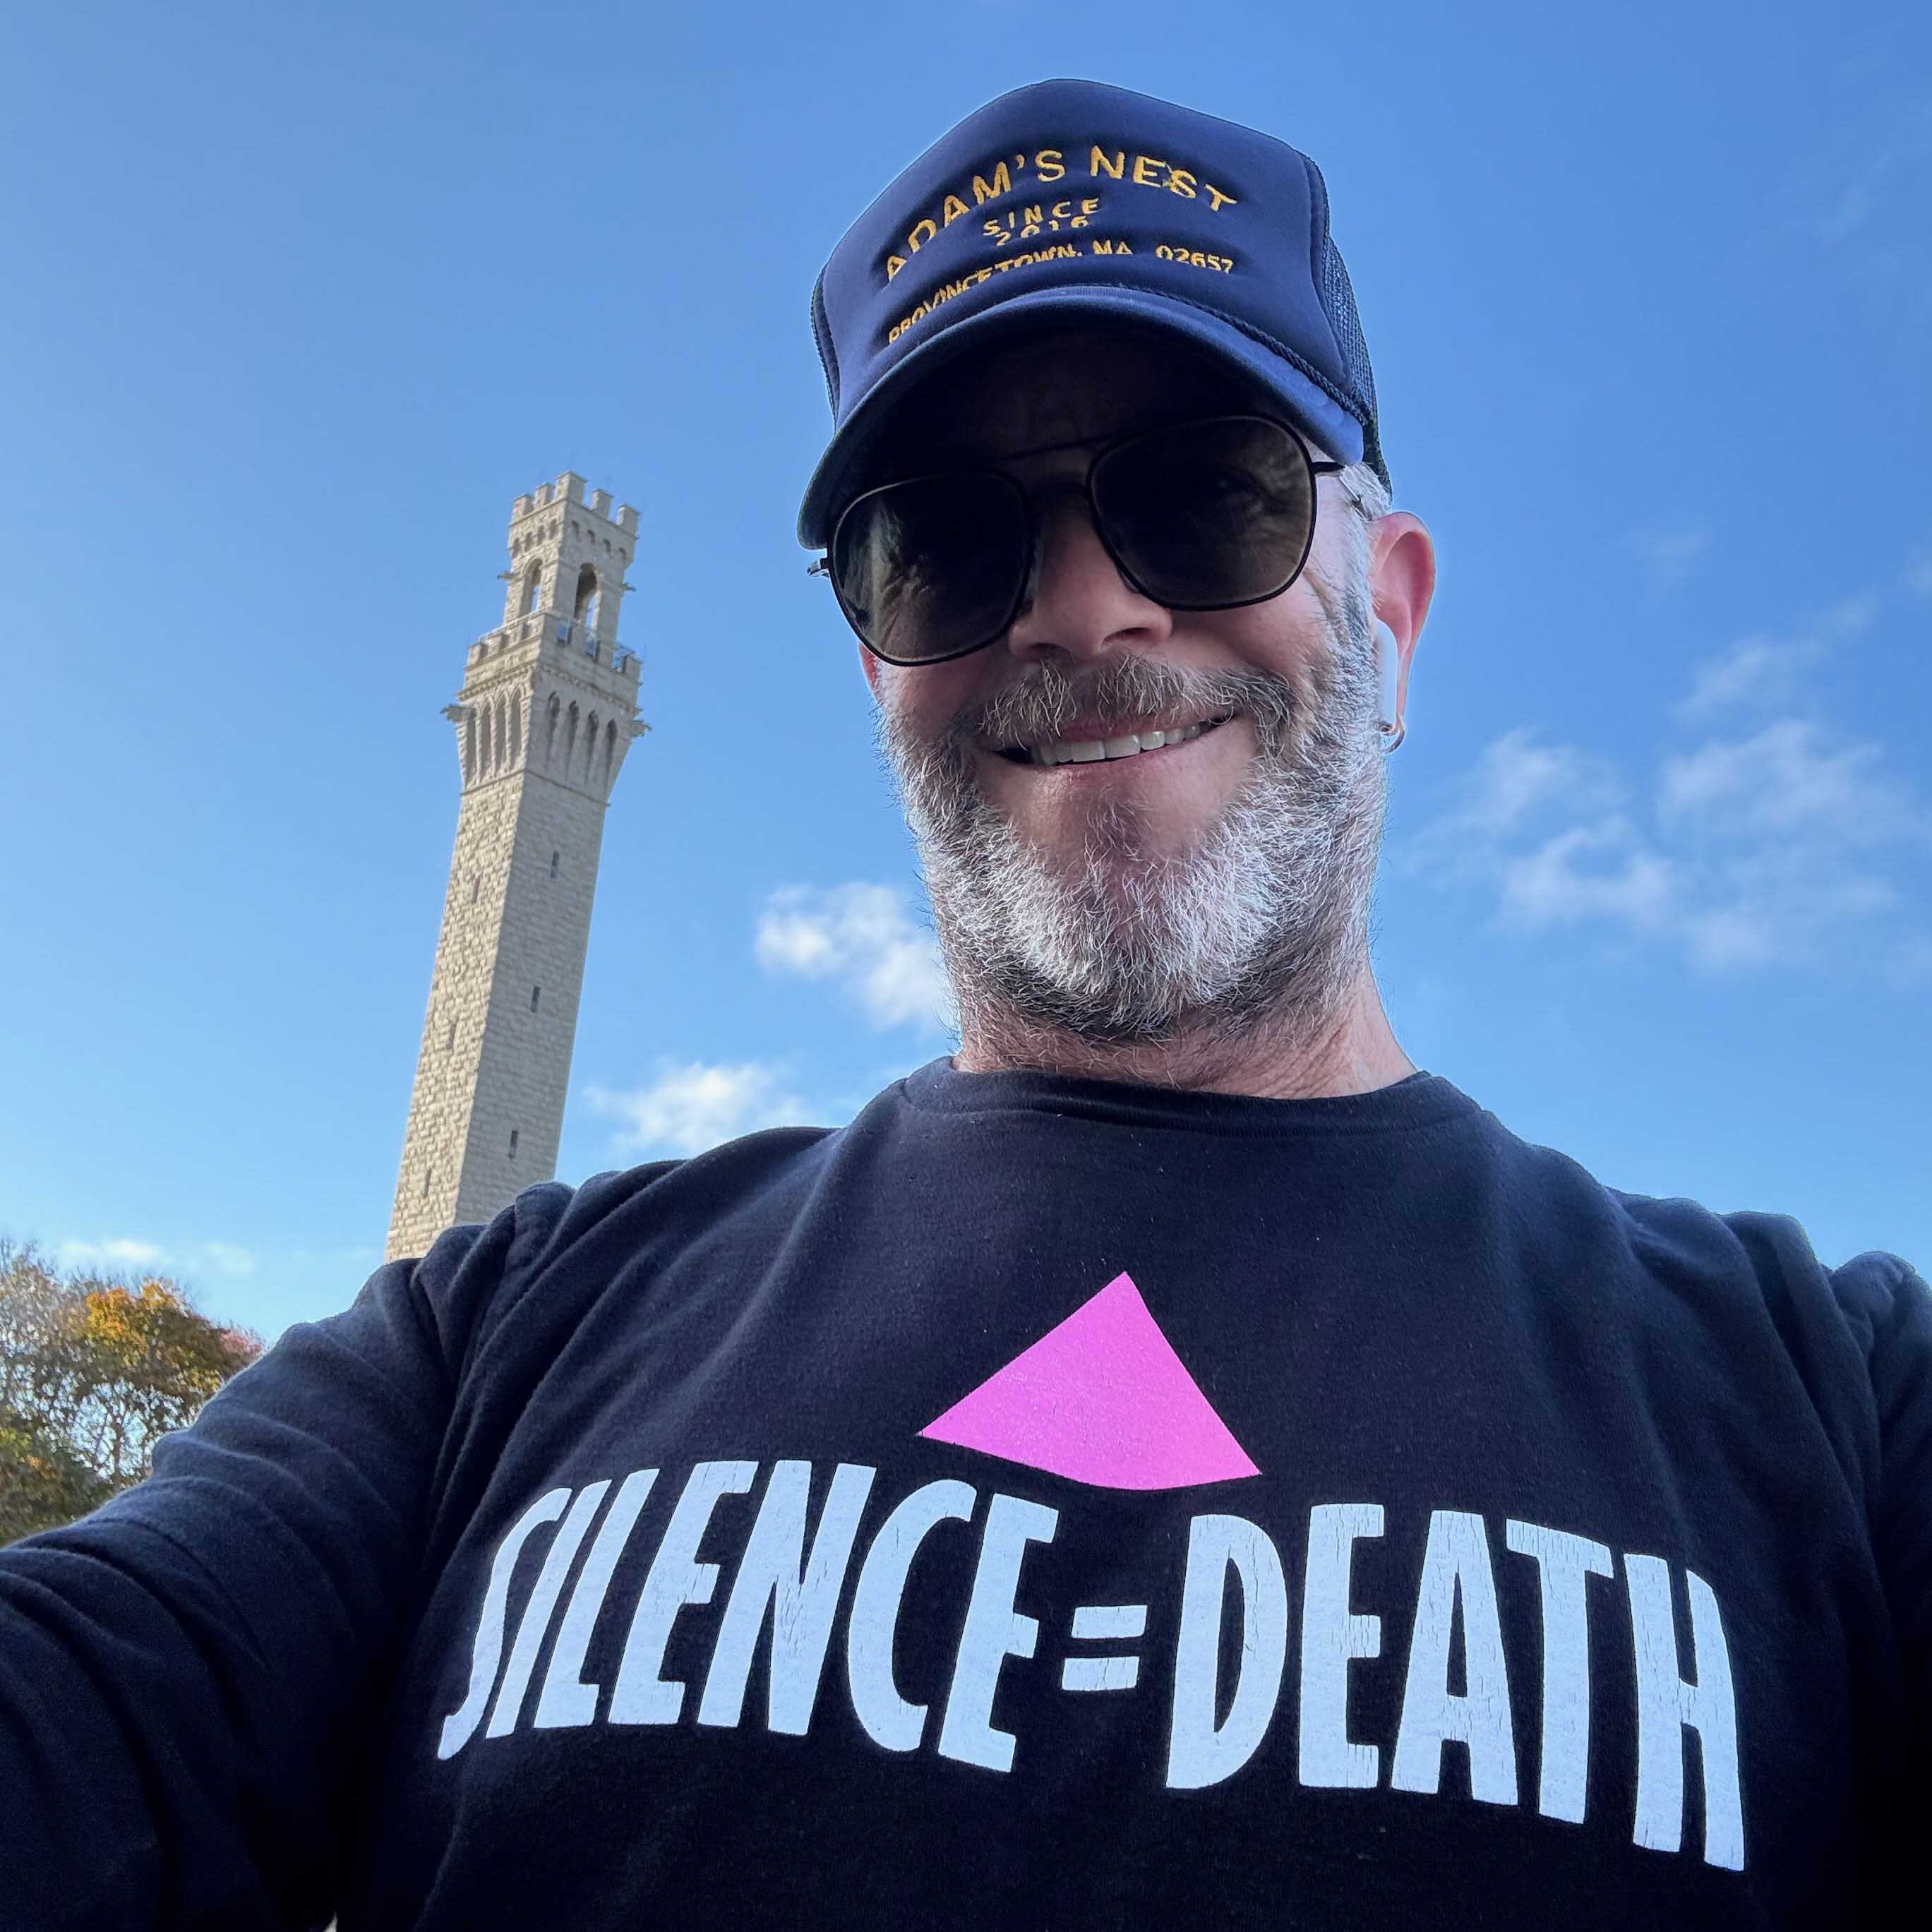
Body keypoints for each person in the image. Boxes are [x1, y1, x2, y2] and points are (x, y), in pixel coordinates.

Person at [1, 77, 1925, 1931]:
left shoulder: (1829, 1405)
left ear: (1391, 601)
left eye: (1207, 491)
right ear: (868, 659)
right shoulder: (494, 1334)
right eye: (944, 541)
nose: (1082, 610)